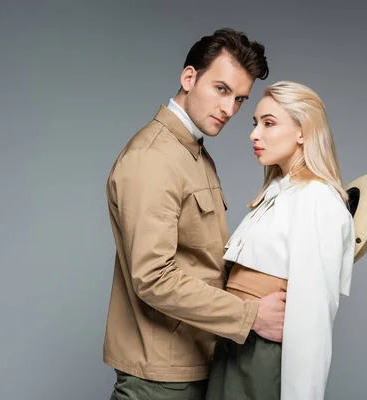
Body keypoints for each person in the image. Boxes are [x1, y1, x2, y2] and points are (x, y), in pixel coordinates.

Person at [103, 28, 288, 400]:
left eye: (239, 99)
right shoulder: (153, 157)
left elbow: (202, 261)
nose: (229, 109)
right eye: (221, 89)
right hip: (160, 379)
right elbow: (153, 277)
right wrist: (251, 315)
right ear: (189, 78)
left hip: (197, 362)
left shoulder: (194, 153)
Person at [206, 81, 360, 399]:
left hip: (263, 360)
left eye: (269, 123)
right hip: (234, 351)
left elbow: (312, 323)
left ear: (303, 131)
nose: (254, 134)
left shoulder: (317, 199)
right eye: (255, 123)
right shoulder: (276, 195)